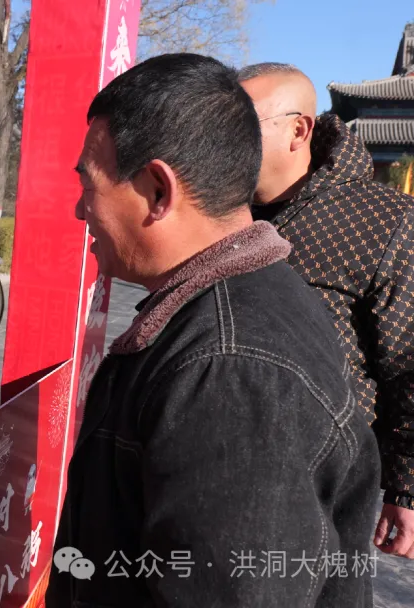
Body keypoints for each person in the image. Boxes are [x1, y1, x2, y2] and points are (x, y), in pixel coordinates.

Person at [48, 53, 379, 606]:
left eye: (89, 183)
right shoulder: (245, 307)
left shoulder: (230, 368)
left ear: (158, 190)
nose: (81, 210)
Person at [238, 62, 414, 560]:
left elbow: (409, 359)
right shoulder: (218, 213)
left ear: (299, 130)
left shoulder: (387, 220)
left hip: (321, 479)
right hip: (214, 452)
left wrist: (407, 488)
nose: (224, 140)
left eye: (242, 124)